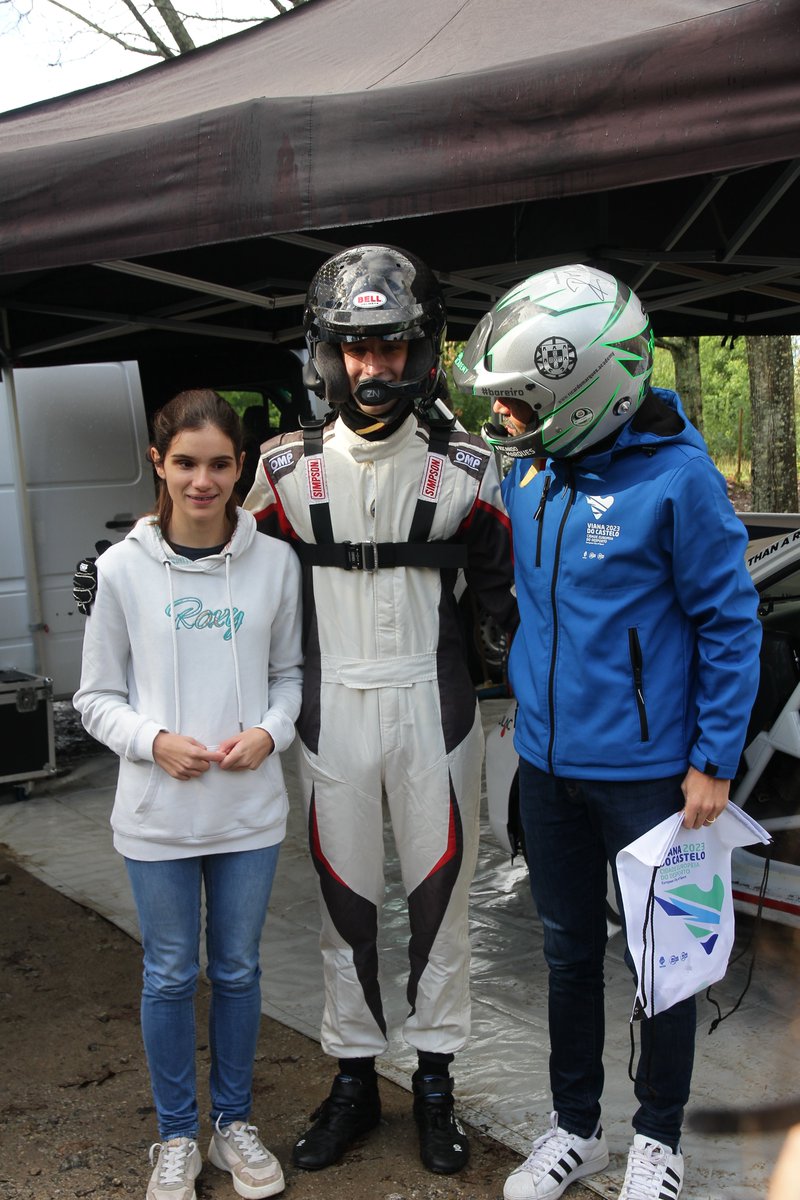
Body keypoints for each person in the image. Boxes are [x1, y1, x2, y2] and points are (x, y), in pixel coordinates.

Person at [453, 264, 761, 1200]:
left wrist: (713, 761)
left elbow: (730, 622)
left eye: (520, 403)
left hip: (652, 778)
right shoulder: (537, 473)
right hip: (547, 768)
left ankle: (657, 1139)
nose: (506, 419)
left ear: (583, 394)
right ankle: (575, 1127)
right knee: (566, 955)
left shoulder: (680, 482)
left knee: (661, 963)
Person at [244, 244, 518, 1175]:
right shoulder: (280, 473)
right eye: (356, 348)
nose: (374, 368)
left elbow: (522, 602)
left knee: (442, 908)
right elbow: (220, 570)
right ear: (326, 353)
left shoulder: (473, 472)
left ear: (424, 350)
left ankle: (435, 1083)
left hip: (436, 713)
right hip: (332, 714)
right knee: (345, 909)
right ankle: (354, 1082)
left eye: (392, 347)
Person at [74, 389, 303, 1200]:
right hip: (158, 816)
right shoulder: (122, 570)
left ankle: (232, 1124)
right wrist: (153, 741)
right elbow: (94, 696)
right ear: (158, 465)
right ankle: (175, 1136)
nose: (202, 481)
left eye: (218, 464)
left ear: (241, 468)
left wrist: (271, 733)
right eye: (185, 464)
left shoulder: (276, 562)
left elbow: (289, 676)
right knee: (171, 974)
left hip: (248, 815)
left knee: (237, 970)